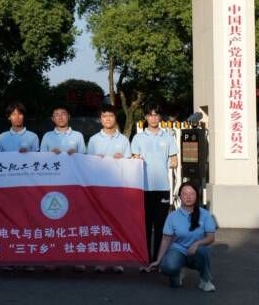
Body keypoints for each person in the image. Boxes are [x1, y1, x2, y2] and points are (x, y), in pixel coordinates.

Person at [131, 106, 179, 266]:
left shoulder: (168, 137)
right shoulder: (138, 138)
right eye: (150, 115)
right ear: (146, 117)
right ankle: (145, 259)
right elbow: (133, 159)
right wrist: (136, 159)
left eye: (156, 115)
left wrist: (166, 162)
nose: (153, 118)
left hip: (162, 188)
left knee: (160, 227)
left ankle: (158, 260)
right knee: (144, 226)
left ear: (160, 117)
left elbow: (174, 161)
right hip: (143, 188)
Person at [147, 182, 217, 292]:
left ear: (197, 196)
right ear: (180, 196)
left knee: (204, 251)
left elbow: (211, 237)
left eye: (192, 194)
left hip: (196, 251)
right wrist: (158, 260)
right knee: (167, 267)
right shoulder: (172, 216)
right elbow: (166, 239)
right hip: (178, 251)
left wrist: (197, 243)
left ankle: (205, 280)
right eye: (185, 194)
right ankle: (178, 271)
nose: (188, 197)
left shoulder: (205, 214)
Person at [87, 105, 131, 272]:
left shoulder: (124, 140)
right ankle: (101, 259)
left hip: (118, 187)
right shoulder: (93, 140)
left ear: (115, 118)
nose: (107, 119)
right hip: (99, 188)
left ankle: (117, 259)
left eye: (110, 116)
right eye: (104, 116)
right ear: (100, 119)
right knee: (99, 224)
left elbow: (130, 164)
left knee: (117, 223)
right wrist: (95, 159)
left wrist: (123, 159)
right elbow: (87, 163)